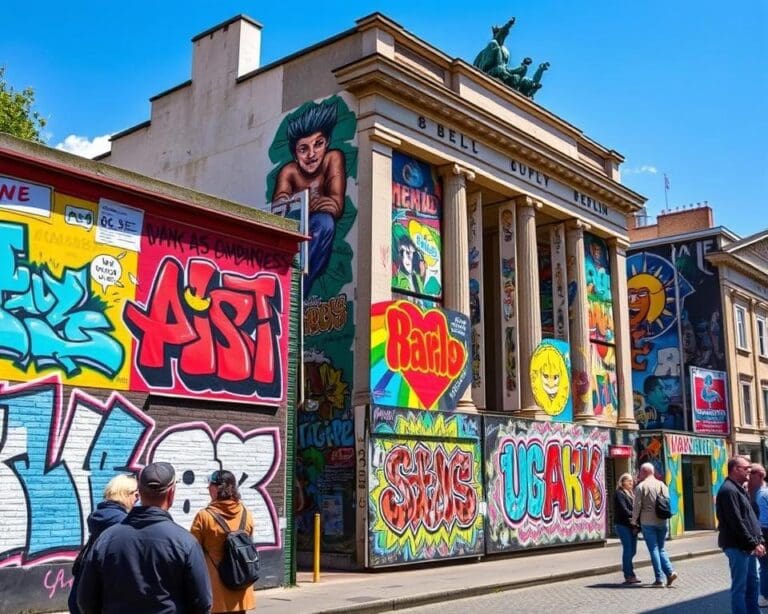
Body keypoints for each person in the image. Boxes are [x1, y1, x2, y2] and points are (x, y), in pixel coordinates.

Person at [76, 462, 212, 614]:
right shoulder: (185, 542)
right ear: (171, 493)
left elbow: (85, 599)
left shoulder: (106, 539)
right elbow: (202, 602)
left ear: (139, 492)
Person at [271, 100, 346, 296]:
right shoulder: (289, 171)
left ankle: (298, 289)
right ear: (295, 154)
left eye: (318, 144)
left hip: (316, 244)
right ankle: (290, 286)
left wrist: (304, 206)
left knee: (324, 222)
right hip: (293, 239)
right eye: (303, 149)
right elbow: (279, 209)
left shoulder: (333, 158)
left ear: (327, 143)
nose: (312, 154)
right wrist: (305, 205)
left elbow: (335, 205)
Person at [68, 474, 139, 614]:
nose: (138, 499)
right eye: (136, 495)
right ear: (127, 494)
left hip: (82, 593)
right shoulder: (123, 522)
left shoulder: (99, 515)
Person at [191, 470, 256, 614]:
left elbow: (192, 553)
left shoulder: (204, 517)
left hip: (216, 592)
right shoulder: (246, 513)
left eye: (210, 485)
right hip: (241, 587)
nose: (208, 488)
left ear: (217, 489)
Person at [718, 456, 766, 614]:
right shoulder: (728, 491)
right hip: (737, 546)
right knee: (740, 587)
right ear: (735, 469)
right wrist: (753, 543)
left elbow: (750, 517)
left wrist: (758, 540)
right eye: (746, 469)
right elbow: (737, 522)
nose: (749, 472)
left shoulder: (740, 488)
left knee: (753, 584)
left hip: (747, 546)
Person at [632, 462, 678, 587]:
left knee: (653, 549)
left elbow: (637, 506)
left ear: (645, 472)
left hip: (647, 522)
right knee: (661, 548)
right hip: (662, 521)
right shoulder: (662, 485)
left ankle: (659, 579)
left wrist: (634, 521)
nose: (639, 474)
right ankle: (670, 572)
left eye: (640, 472)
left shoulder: (641, 487)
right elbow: (667, 502)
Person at [614, 473, 640, 584]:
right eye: (628, 481)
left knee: (633, 550)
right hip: (622, 525)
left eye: (632, 481)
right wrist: (635, 516)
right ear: (622, 482)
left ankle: (628, 570)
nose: (631, 483)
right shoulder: (619, 493)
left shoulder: (631, 493)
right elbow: (623, 510)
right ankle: (629, 574)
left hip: (632, 526)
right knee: (628, 549)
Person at [747, 463, 768, 608]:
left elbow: (764, 521)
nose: (748, 477)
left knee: (765, 566)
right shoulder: (762, 492)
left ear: (758, 475)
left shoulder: (761, 495)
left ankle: (764, 596)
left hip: (764, 533)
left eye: (750, 474)